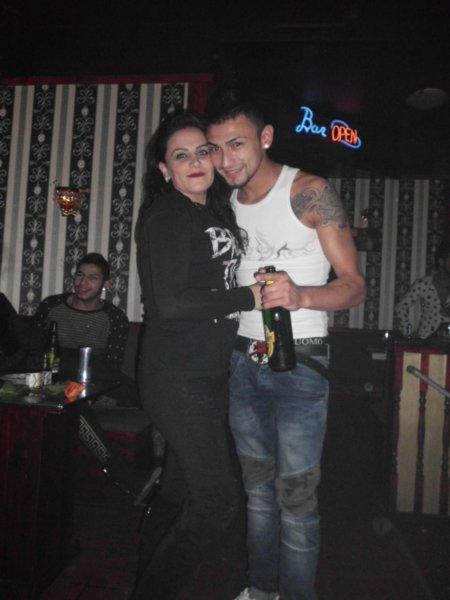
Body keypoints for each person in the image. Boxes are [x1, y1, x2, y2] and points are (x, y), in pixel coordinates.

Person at [205, 88, 366, 600]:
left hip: (301, 363)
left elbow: (355, 286)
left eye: (237, 144)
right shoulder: (222, 204)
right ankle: (260, 591)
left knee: (296, 502)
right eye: (216, 148)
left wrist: (301, 295)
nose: (226, 160)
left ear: (266, 138)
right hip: (242, 362)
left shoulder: (309, 192)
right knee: (257, 496)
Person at [131, 109, 262, 599]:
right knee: (217, 503)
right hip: (177, 375)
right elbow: (170, 303)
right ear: (165, 170)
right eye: (180, 156)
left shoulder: (211, 214)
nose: (194, 162)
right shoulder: (168, 214)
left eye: (202, 151)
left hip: (207, 373)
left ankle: (143, 581)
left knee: (177, 492)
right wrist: (248, 297)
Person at [34, 252, 158, 505]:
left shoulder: (114, 317)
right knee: (73, 403)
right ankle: (126, 478)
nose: (83, 283)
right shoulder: (51, 306)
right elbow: (35, 352)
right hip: (57, 383)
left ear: (105, 284)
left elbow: (110, 370)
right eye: (80, 275)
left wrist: (91, 392)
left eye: (92, 278)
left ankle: (171, 473)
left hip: (99, 381)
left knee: (155, 398)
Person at [395, 242, 450, 341]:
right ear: (441, 261)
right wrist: (407, 333)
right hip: (426, 340)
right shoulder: (424, 284)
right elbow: (401, 307)